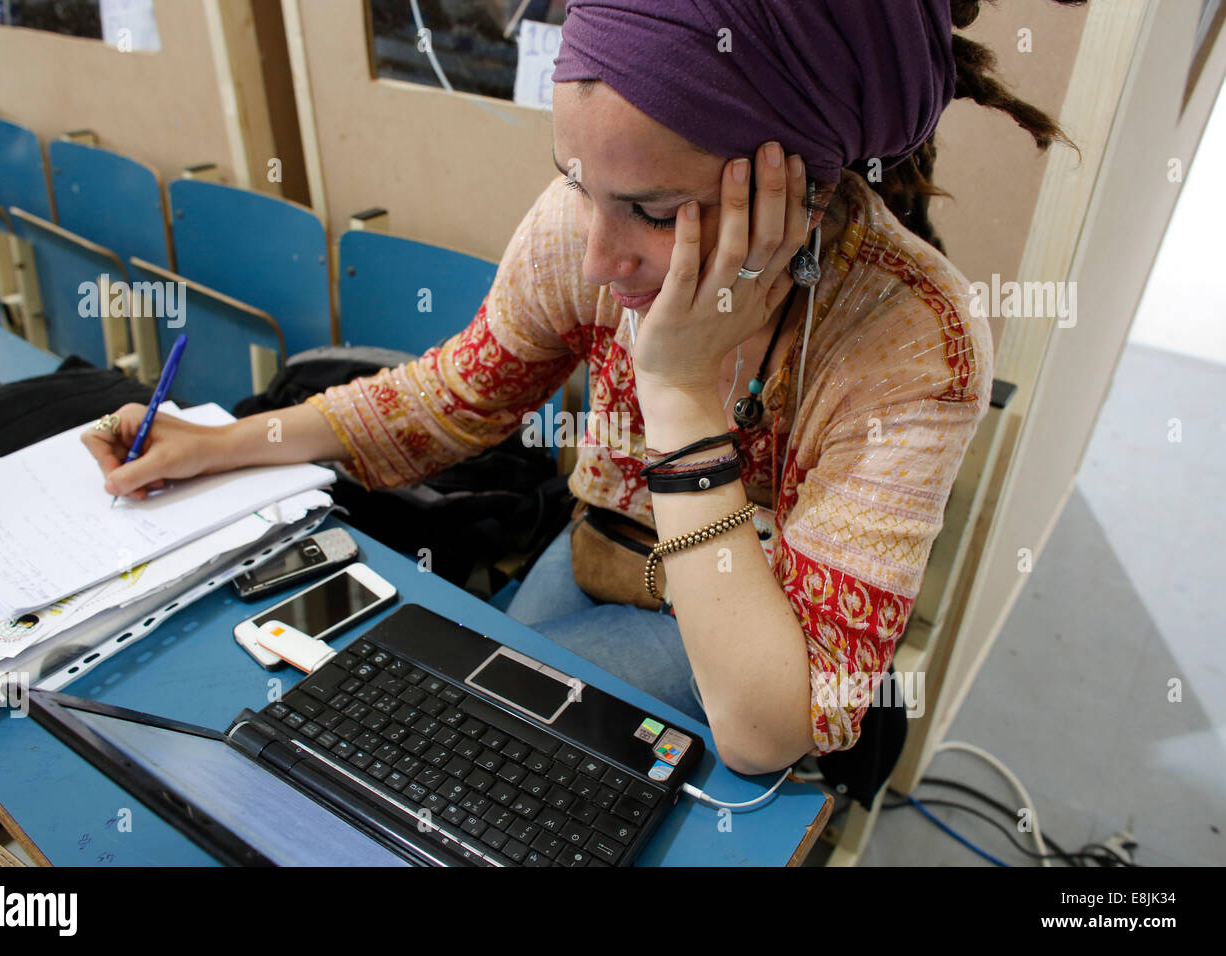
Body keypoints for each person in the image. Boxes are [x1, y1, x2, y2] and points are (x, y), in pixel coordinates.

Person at [82, 0, 1084, 777]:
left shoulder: (917, 339)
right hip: (606, 548)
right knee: (474, 716)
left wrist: (683, 398)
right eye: (576, 182)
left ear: (801, 191)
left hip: (758, 631)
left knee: (495, 732)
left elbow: (770, 722)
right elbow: (457, 394)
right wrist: (217, 442)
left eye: (650, 210)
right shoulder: (586, 227)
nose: (599, 253)